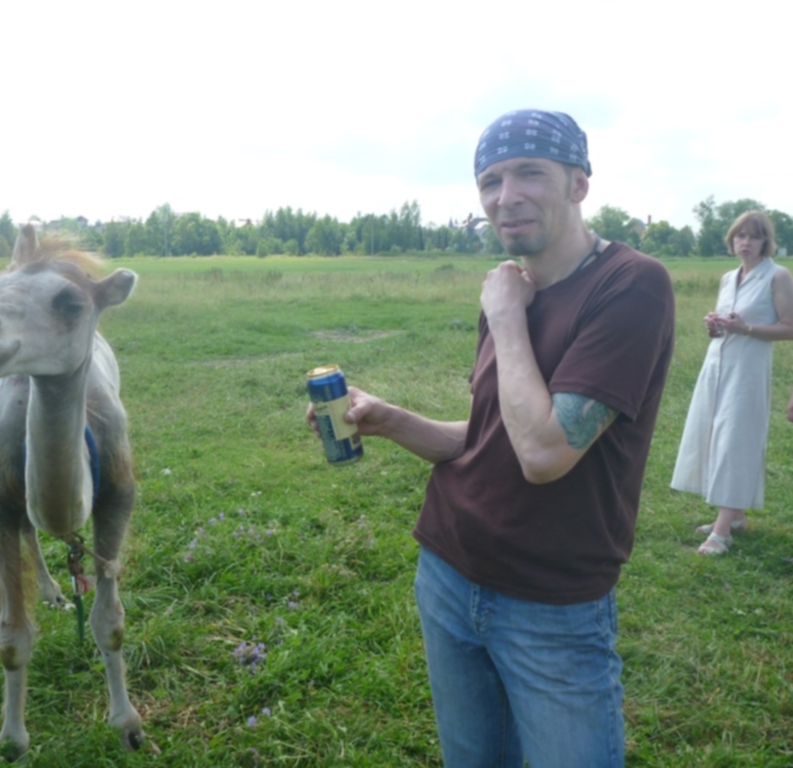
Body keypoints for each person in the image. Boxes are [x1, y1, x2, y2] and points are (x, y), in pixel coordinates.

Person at [308, 110, 675, 767]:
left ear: (578, 184)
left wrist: (507, 315)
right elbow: (488, 437)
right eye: (490, 180)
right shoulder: (513, 288)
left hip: (551, 603)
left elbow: (542, 451)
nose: (506, 196)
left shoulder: (629, 285)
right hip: (448, 572)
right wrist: (388, 419)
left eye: (529, 173)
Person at [671, 211, 793, 554]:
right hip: (716, 365)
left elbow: (790, 326)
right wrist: (716, 325)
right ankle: (735, 514)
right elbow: (728, 323)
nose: (746, 242)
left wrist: (747, 329)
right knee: (713, 435)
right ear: (732, 240)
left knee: (735, 440)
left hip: (748, 371)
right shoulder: (728, 278)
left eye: (753, 237)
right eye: (740, 236)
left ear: (765, 241)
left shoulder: (778, 276)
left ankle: (721, 532)